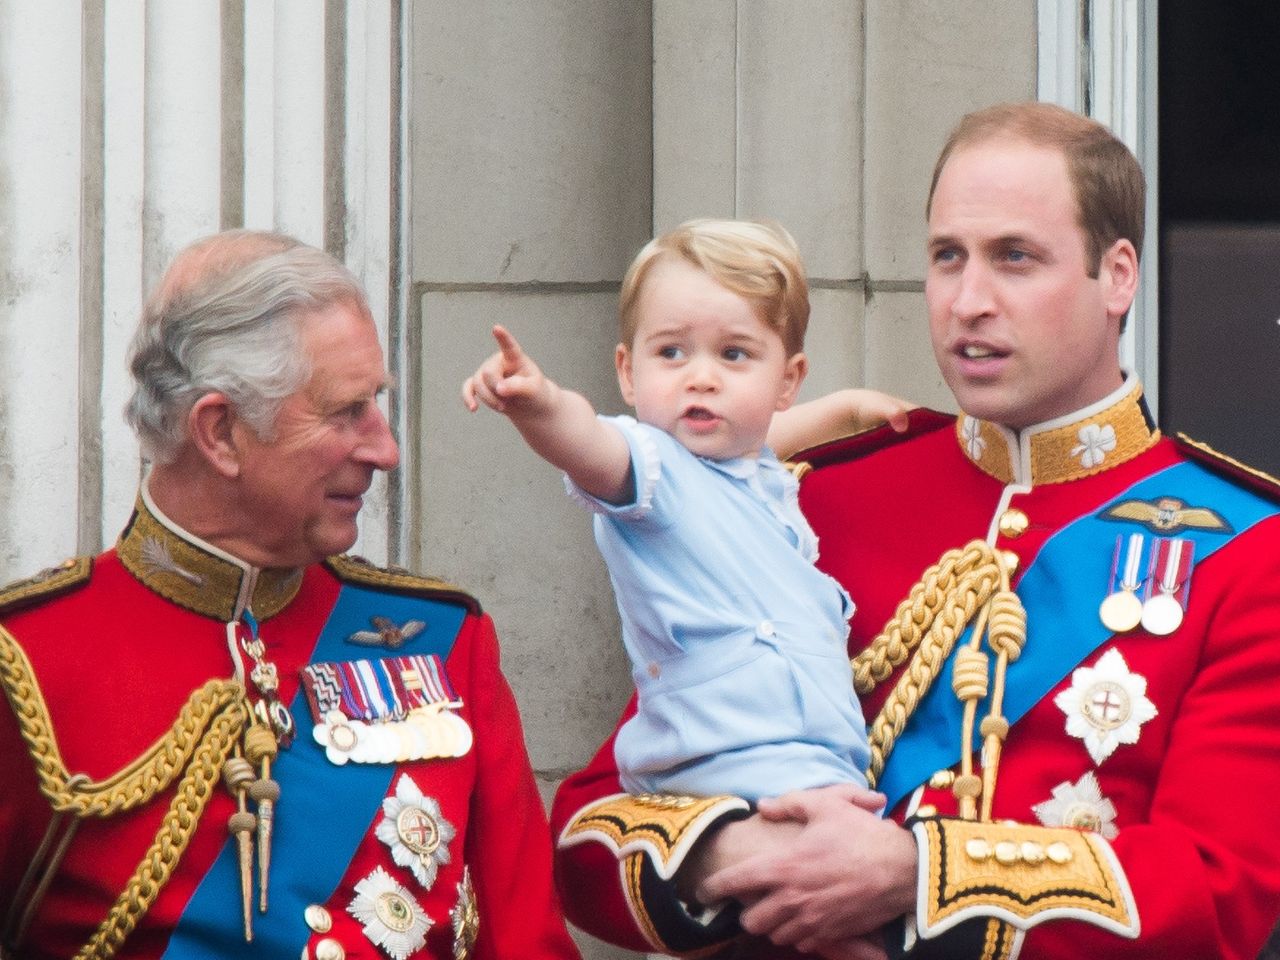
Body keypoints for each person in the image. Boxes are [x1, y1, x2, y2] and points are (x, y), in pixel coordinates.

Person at [550, 102, 1280, 960]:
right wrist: (733, 854)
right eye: (947, 258)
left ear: (1117, 276)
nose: (969, 301)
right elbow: (592, 826)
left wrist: (915, 876)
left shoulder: (1245, 550)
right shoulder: (810, 497)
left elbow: (1215, 888)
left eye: (1015, 258)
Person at [0, 230, 581, 960]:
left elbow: (526, 941)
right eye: (346, 413)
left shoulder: (443, 640)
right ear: (221, 432)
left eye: (376, 403)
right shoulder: (28, 659)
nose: (385, 449)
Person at [462, 219, 908, 805]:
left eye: (734, 354)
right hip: (723, 769)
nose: (701, 377)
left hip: (807, 767)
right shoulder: (650, 467)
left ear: (788, 380)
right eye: (671, 352)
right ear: (627, 371)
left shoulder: (750, 470)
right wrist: (538, 404)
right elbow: (586, 442)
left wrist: (847, 409)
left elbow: (769, 441)